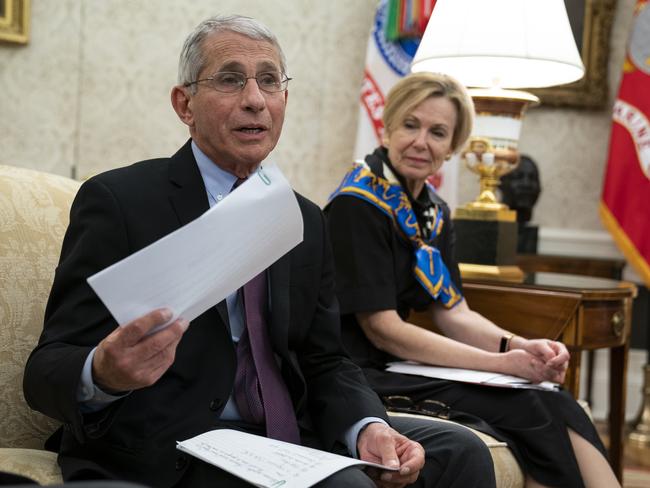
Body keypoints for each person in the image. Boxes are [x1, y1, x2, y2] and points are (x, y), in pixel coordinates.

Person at [22, 15, 496, 488]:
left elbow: (326, 361)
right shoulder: (120, 201)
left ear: (284, 100)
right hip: (174, 443)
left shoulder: (305, 219)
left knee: (461, 452)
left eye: (269, 81)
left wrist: (366, 428)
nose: (254, 100)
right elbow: (47, 368)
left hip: (285, 433)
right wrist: (104, 373)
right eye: (230, 80)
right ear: (184, 104)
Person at [325, 72, 620, 488]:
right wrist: (500, 364)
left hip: (396, 363)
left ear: (452, 148)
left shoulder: (433, 212)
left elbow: (455, 313)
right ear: (387, 126)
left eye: (438, 132)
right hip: (359, 372)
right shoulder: (358, 205)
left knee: (554, 400)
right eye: (411, 125)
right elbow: (384, 330)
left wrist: (519, 346)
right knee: (528, 405)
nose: (421, 141)